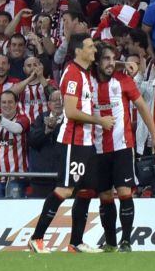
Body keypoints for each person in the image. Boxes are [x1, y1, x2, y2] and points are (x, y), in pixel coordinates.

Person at [28, 34, 115, 254]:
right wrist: (99, 120)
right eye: (89, 47)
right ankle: (36, 238)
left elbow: (106, 62)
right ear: (78, 51)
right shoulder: (74, 74)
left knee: (87, 190)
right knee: (65, 189)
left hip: (87, 142)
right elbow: (71, 111)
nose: (94, 51)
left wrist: (126, 64)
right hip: (73, 140)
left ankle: (76, 242)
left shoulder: (85, 72)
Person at [92, 44, 155, 252]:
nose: (111, 63)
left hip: (122, 146)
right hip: (97, 149)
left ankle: (126, 242)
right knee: (104, 197)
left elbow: (142, 108)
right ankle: (111, 242)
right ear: (96, 62)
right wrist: (122, 63)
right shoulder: (87, 81)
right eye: (106, 59)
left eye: (114, 59)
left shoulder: (123, 80)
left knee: (124, 193)